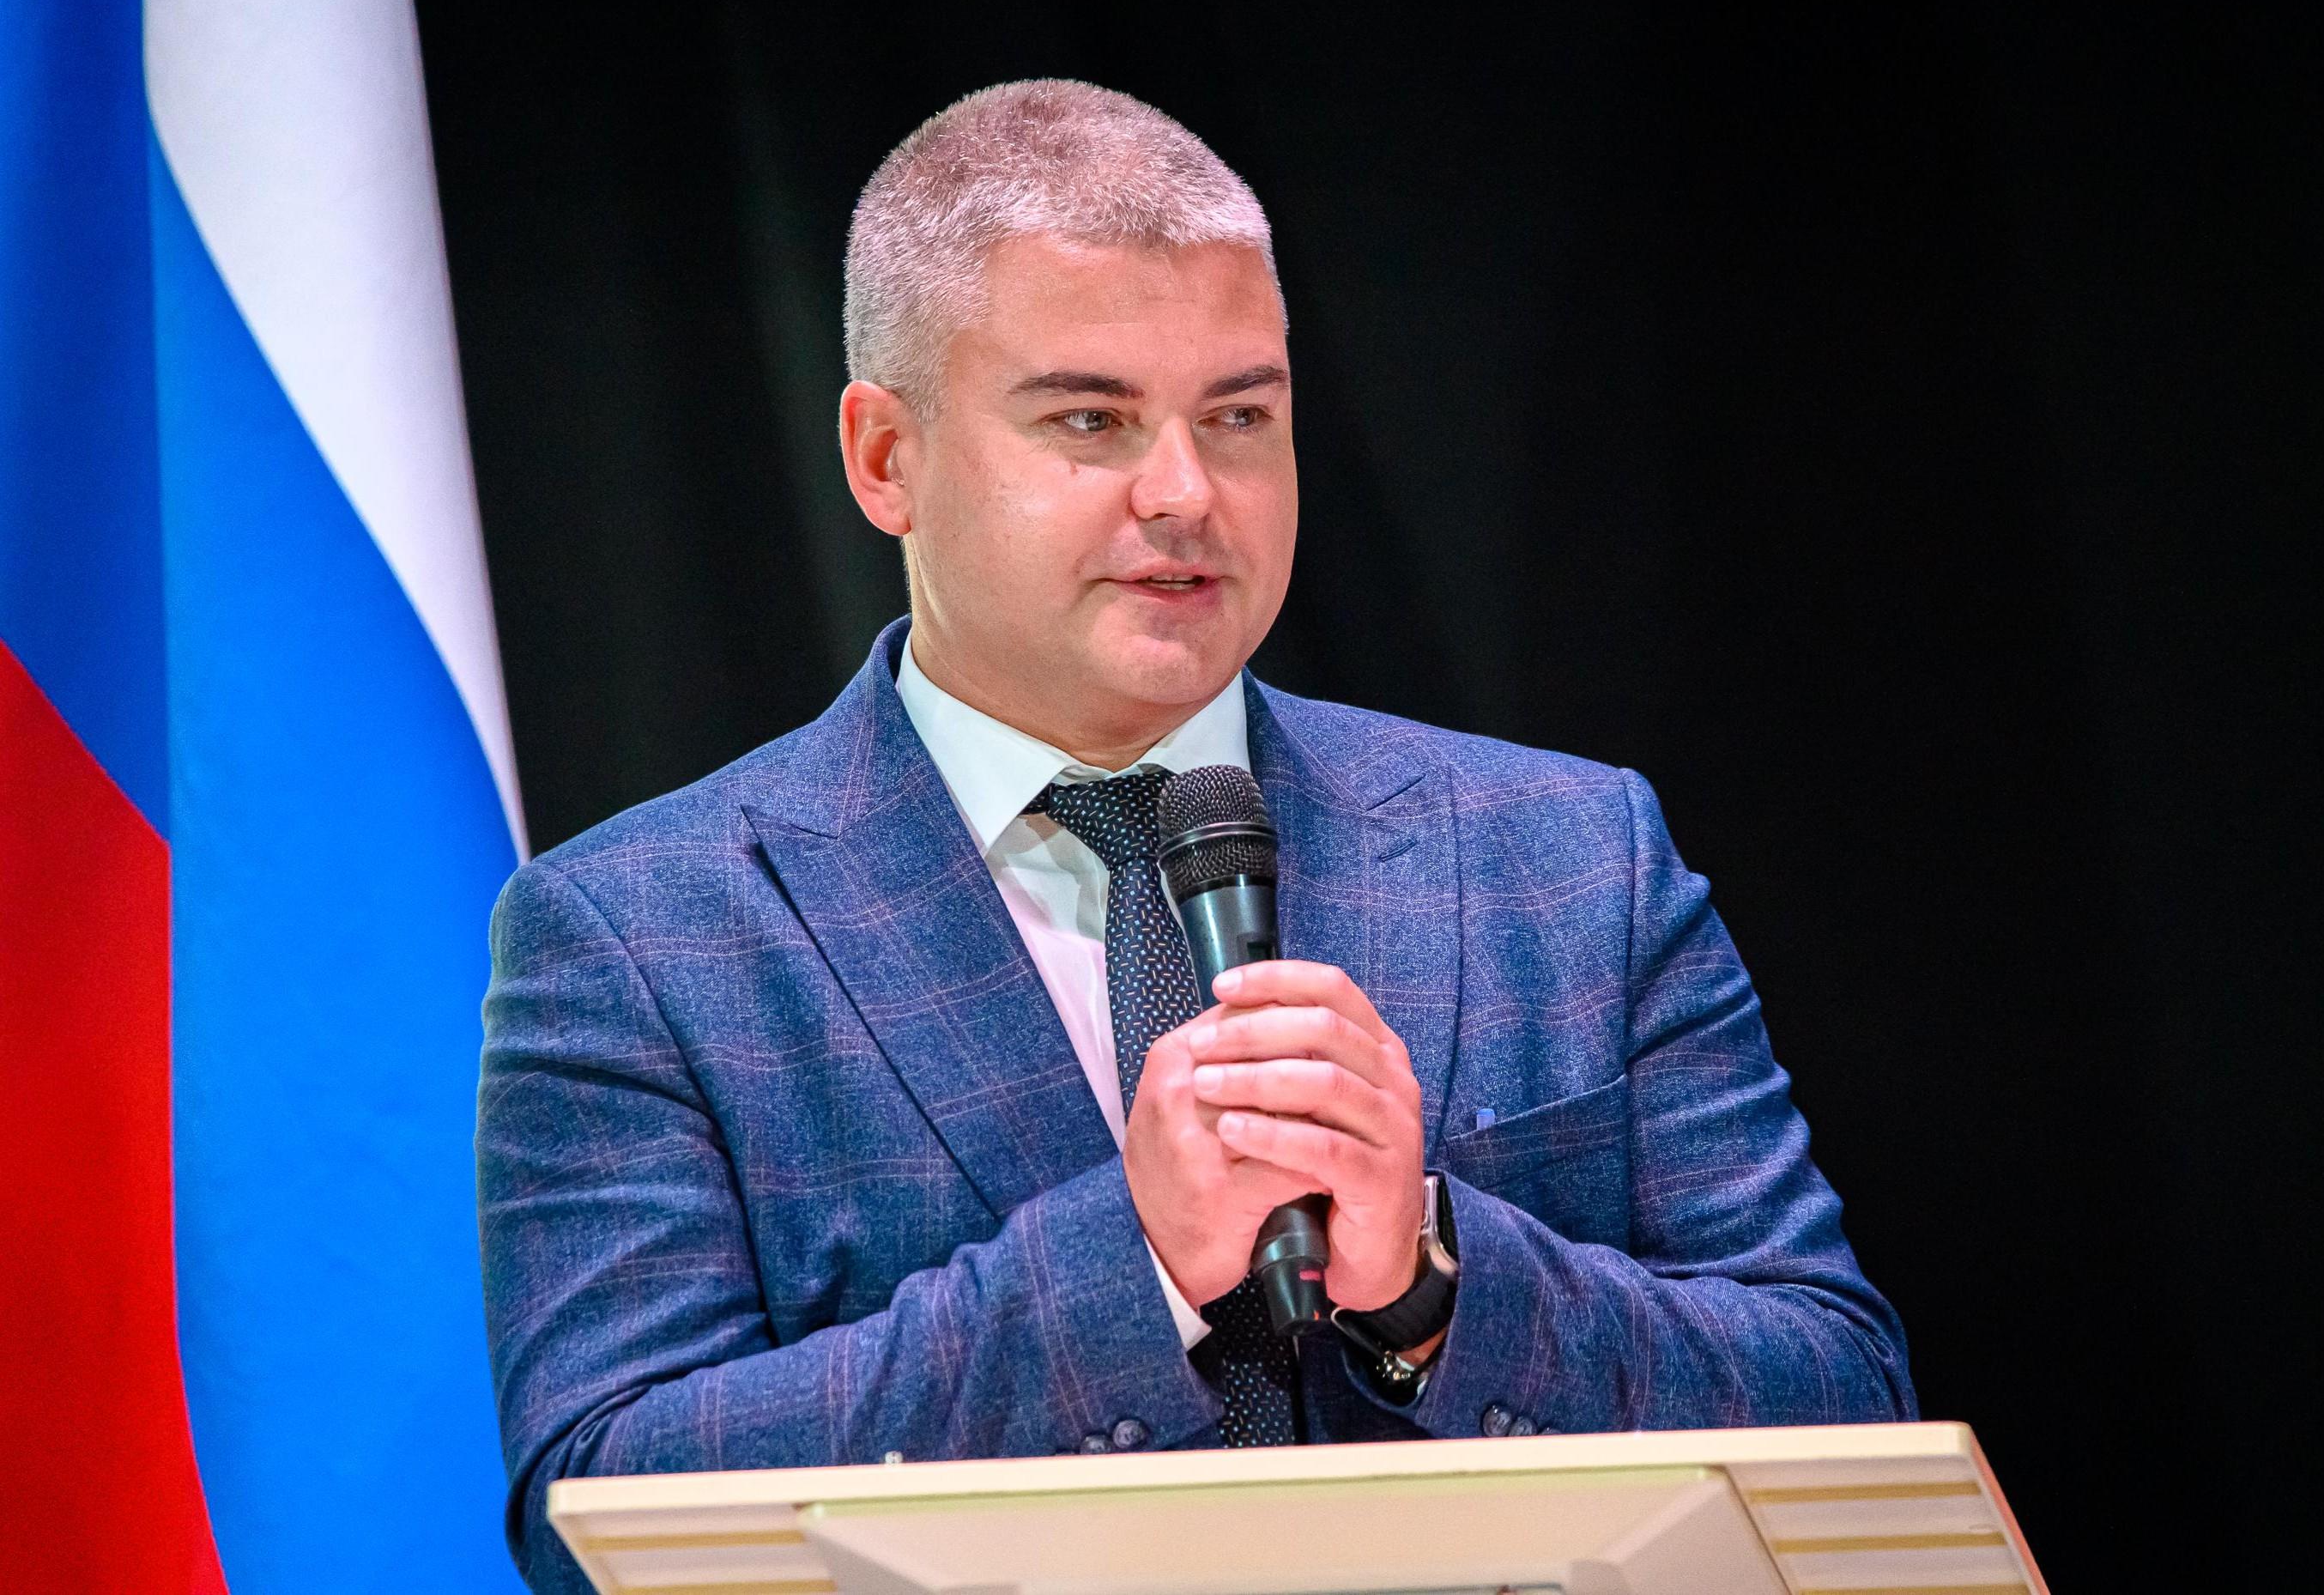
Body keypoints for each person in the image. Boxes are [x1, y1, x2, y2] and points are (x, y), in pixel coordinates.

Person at [478, 78, 1914, 1592]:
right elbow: (600, 1502)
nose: (1185, 494)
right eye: (1089, 420)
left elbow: (1835, 1398)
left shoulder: (1567, 855)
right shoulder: (638, 932)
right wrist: (1135, 1263)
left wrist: (1433, 1274)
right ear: (885, 457)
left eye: (1239, 418)